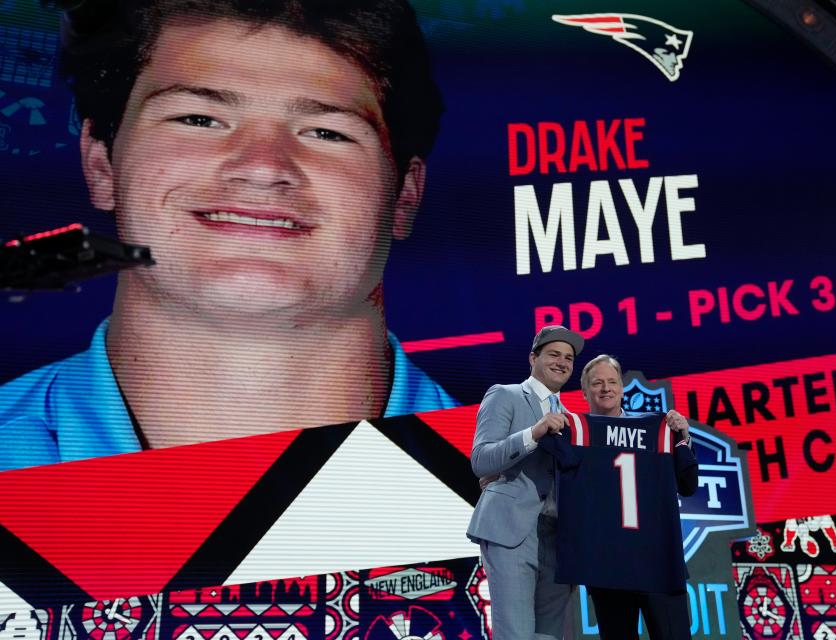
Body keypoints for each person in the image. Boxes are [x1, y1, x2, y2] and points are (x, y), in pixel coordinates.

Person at [0, 0, 455, 471]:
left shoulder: (529, 479)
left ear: (405, 193)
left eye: (325, 132)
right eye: (198, 120)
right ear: (100, 164)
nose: (261, 168)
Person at [466, 325, 584, 640]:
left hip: (558, 540)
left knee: (551, 636)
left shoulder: (574, 420)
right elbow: (481, 460)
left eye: (569, 358)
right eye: (554, 354)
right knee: (516, 634)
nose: (562, 362)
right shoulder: (505, 395)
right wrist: (533, 434)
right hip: (512, 531)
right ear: (533, 357)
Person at [579, 354, 697, 640]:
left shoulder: (657, 430)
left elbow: (688, 484)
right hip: (607, 564)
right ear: (584, 391)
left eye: (611, 382)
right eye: (597, 383)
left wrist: (682, 438)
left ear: (622, 387)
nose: (605, 388)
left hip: (658, 560)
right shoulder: (576, 434)